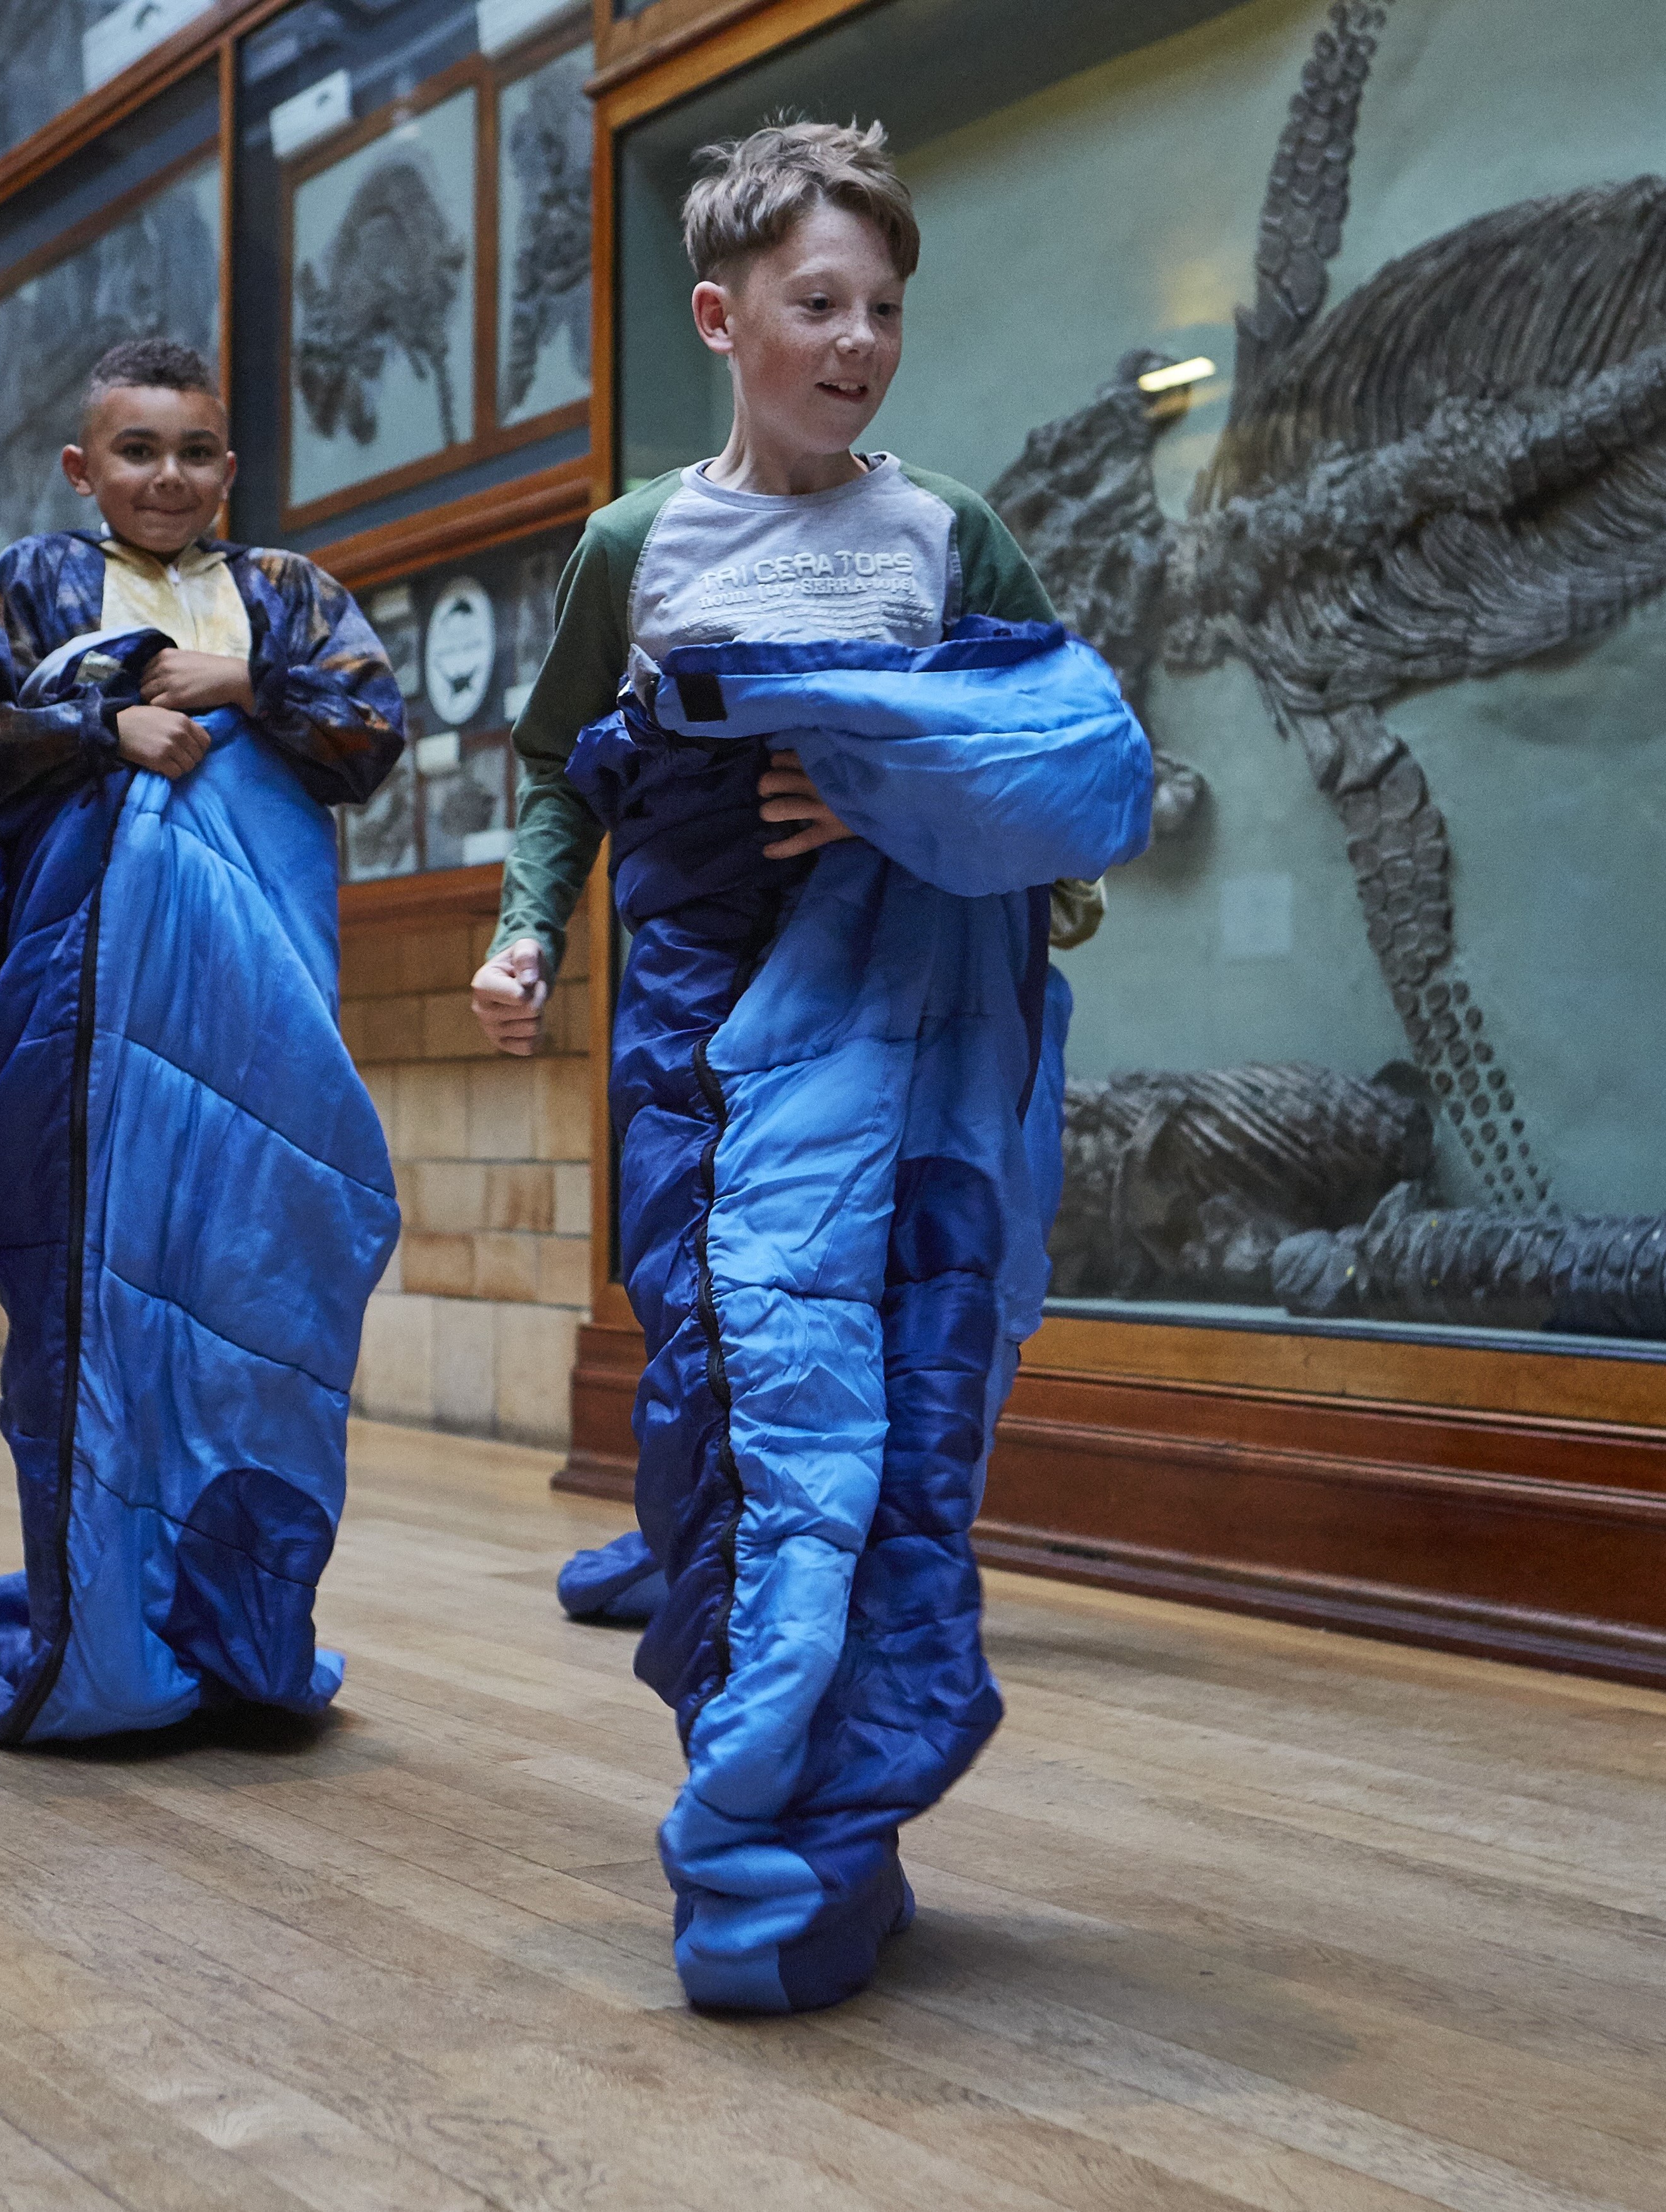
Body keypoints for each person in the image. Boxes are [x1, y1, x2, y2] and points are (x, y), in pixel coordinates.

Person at [474, 124, 1152, 2010]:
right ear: (725, 315)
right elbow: (552, 757)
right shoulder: (638, 543)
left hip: (911, 1046)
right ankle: (762, 1779)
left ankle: (836, 1818)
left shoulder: (945, 535)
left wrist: (890, 794)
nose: (858, 342)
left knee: (900, 1422)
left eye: (883, 311)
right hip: (699, 1035)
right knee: (722, 1416)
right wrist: (529, 926)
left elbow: (1064, 757)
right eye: (817, 304)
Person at [0, 336, 408, 1744]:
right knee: (98, 1305)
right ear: (84, 467)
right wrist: (107, 718)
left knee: (254, 1305)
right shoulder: (40, 581)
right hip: (88, 1018)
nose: (167, 477)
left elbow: (372, 735)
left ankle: (241, 1632)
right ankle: (106, 1631)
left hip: (256, 1009)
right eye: (137, 451)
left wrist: (243, 688)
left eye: (194, 452)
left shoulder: (287, 593)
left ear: (229, 468)